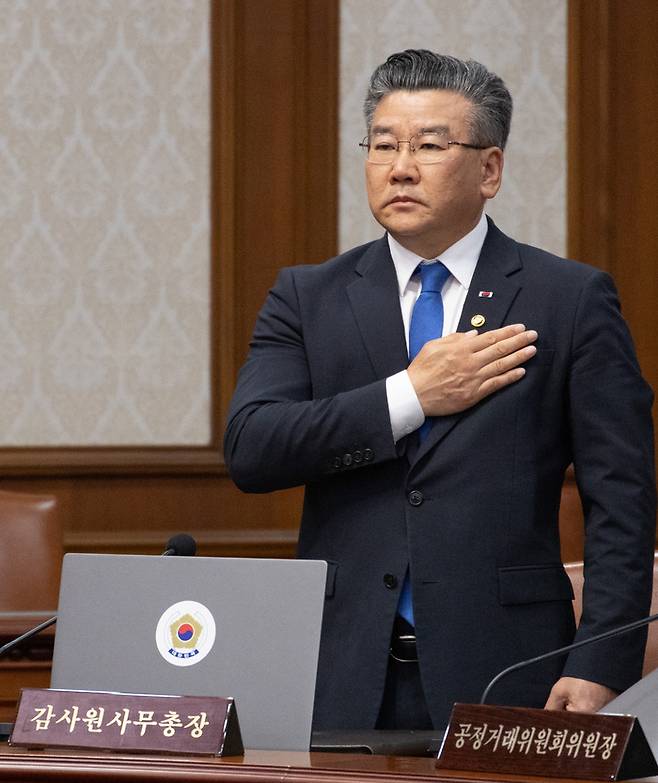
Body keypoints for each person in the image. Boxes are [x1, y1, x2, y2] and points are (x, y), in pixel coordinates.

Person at [224, 50, 656, 731]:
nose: (399, 166)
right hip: (337, 669)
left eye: (429, 146)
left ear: (489, 169)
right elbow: (252, 447)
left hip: (516, 668)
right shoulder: (308, 297)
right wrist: (410, 394)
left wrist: (600, 661)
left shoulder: (568, 298)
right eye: (383, 145)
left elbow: (622, 499)